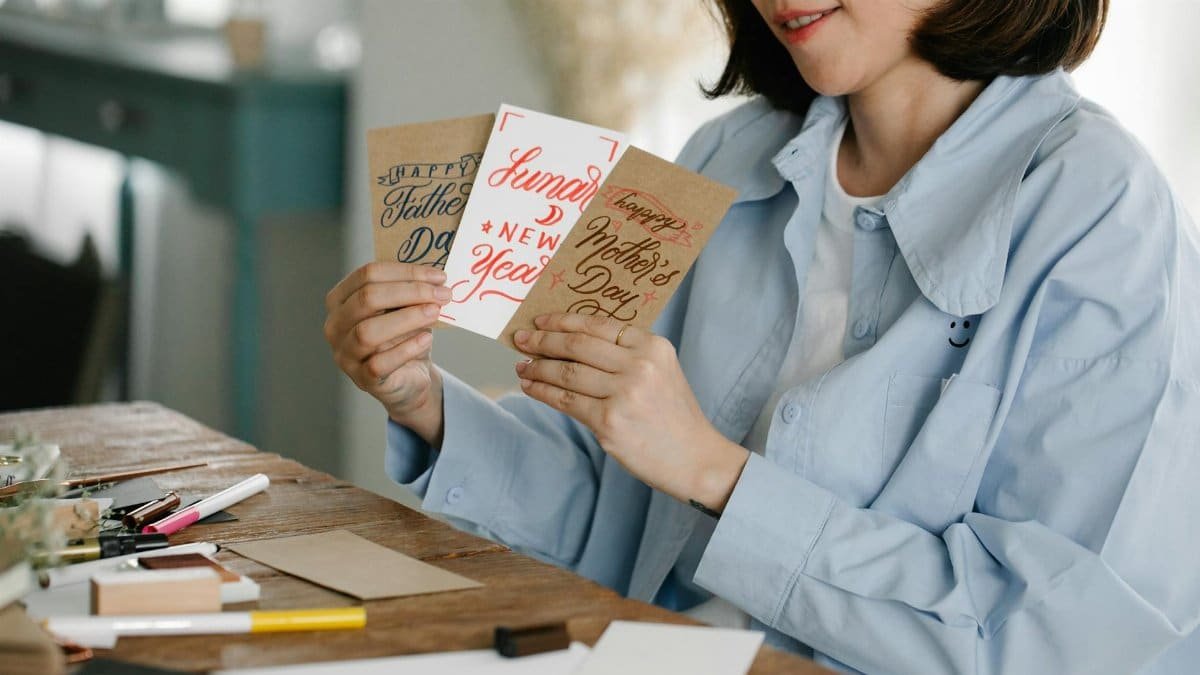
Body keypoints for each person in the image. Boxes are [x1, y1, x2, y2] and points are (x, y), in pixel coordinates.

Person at [324, 1, 1200, 672]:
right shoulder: (721, 155)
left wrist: (714, 469)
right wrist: (428, 402)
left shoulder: (1100, 209)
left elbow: (1054, 641)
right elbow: (617, 519)